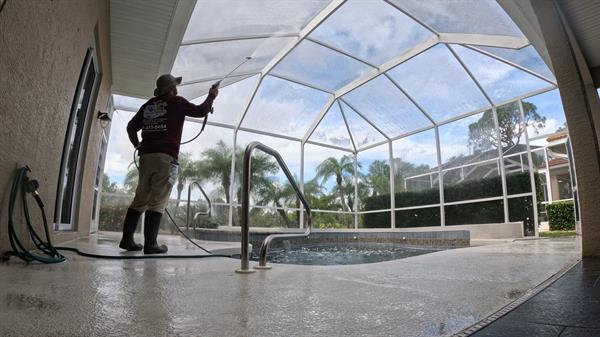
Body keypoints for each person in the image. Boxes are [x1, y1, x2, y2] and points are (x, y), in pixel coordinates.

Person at [119, 74, 218, 254]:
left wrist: (137, 144)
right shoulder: (176, 102)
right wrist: (211, 96)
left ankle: (127, 240)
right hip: (165, 157)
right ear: (173, 88)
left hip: (146, 156)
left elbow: (131, 127)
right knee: (158, 201)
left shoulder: (149, 105)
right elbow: (200, 111)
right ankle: (151, 245)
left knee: (140, 198)